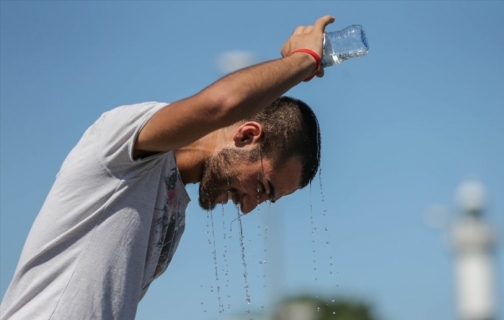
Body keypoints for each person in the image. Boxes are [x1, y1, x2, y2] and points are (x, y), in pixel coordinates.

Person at [0, 15, 335, 320]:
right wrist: (304, 60)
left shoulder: (174, 209)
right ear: (246, 135)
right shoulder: (125, 144)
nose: (248, 207)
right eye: (262, 187)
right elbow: (220, 105)